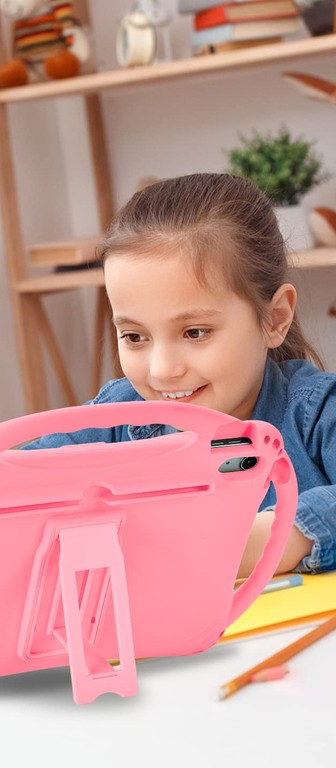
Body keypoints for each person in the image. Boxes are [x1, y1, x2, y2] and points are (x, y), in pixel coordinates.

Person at [27, 172, 336, 578]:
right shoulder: (115, 419)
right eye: (135, 337)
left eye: (195, 333)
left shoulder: (315, 413)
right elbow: (7, 489)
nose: (162, 370)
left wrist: (277, 537)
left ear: (275, 319)